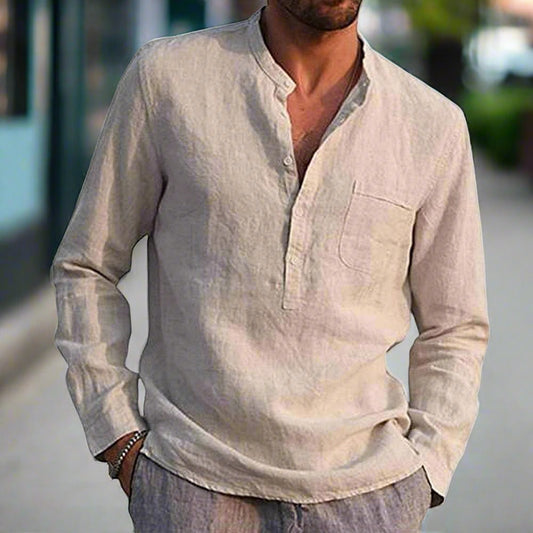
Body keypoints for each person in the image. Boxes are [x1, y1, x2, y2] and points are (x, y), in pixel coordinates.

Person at [50, 1, 490, 531]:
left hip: (367, 498)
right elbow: (88, 264)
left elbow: (455, 324)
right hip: (192, 487)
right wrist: (117, 432)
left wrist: (427, 467)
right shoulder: (167, 81)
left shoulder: (431, 124)